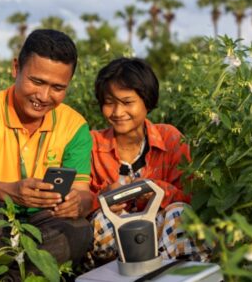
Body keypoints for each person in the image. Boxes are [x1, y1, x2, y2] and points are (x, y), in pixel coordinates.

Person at [0, 29, 94, 273]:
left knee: (79, 230)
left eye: (57, 87)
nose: (43, 96)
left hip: (39, 223)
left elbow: (83, 193)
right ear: (16, 68)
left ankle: (11, 279)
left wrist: (77, 204)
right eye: (36, 82)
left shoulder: (74, 126)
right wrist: (11, 191)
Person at [85, 57, 208, 268]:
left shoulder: (170, 138)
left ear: (147, 101)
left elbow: (194, 198)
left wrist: (160, 191)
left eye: (127, 102)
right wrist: (102, 200)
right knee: (100, 222)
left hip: (163, 236)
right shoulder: (92, 144)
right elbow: (77, 201)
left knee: (180, 214)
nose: (117, 112)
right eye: (109, 102)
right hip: (115, 246)